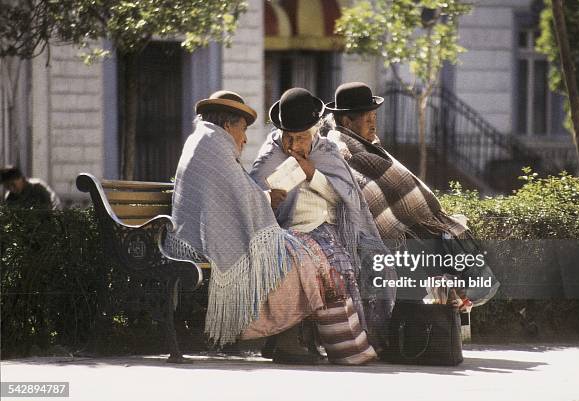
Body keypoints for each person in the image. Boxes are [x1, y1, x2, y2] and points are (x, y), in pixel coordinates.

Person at [162, 90, 330, 364]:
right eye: (242, 128)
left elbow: (232, 195)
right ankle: (280, 340)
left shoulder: (207, 140)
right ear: (228, 124)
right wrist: (267, 198)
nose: (245, 137)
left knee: (295, 251)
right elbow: (237, 195)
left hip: (197, 236)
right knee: (290, 256)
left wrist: (264, 198)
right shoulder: (212, 144)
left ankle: (280, 338)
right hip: (198, 244)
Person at [324, 82, 499, 306]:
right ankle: (450, 306)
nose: (373, 123)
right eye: (366, 118)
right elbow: (370, 190)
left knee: (448, 255)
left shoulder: (368, 145)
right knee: (443, 253)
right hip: (392, 239)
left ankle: (454, 302)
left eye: (374, 117)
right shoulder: (344, 148)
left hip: (408, 230)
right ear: (347, 121)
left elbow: (396, 183)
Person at [250, 88, 397, 352]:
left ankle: (377, 338)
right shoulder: (270, 155)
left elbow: (348, 196)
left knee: (379, 260)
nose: (295, 145)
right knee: (338, 265)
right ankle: (339, 342)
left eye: (302, 137)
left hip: (339, 229)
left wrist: (312, 173)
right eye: (289, 137)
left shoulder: (326, 150)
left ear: (315, 131)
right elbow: (251, 199)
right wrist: (269, 198)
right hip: (296, 231)